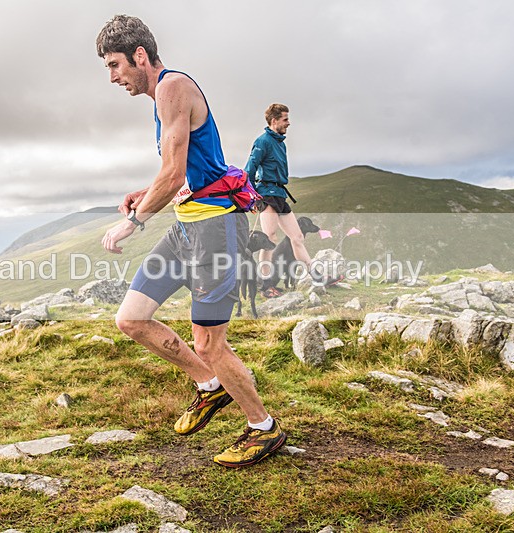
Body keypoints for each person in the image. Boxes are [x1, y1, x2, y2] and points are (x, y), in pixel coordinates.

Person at [96, 15, 286, 467]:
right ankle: (210, 385)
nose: (113, 77)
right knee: (131, 319)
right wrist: (148, 191)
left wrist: (133, 222)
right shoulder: (162, 98)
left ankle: (264, 428)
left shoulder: (173, 87)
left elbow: (176, 172)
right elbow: (184, 173)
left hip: (216, 230)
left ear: (139, 55)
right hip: (186, 228)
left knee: (209, 343)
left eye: (115, 65)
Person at [244, 104, 319, 297]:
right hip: (266, 194)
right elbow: (249, 169)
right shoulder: (262, 141)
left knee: (297, 237)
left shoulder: (280, 143)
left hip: (279, 194)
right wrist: (253, 197)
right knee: (270, 238)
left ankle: (316, 275)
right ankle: (265, 285)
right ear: (274, 120)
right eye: (285, 119)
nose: (288, 123)